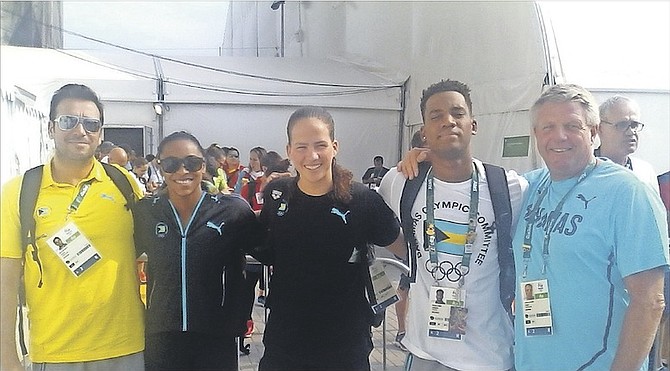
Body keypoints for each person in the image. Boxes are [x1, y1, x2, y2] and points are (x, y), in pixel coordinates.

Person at [513, 83, 668, 370]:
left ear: (594, 132)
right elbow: (469, 179)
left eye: (573, 125)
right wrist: (423, 161)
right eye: (548, 127)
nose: (559, 136)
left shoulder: (627, 193)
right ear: (536, 134)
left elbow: (650, 300)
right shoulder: (529, 187)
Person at [378, 79, 526, 371]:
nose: (448, 121)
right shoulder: (400, 182)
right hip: (424, 353)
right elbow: (378, 227)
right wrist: (412, 252)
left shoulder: (509, 188)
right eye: (436, 116)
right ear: (424, 131)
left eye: (458, 113)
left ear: (473, 124)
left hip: (489, 356)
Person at [1, 83, 145, 370]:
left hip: (126, 348)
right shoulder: (20, 192)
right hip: (55, 352)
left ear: (100, 133)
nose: (81, 131)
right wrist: (6, 356)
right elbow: (5, 281)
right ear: (51, 128)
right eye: (69, 121)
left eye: (91, 124)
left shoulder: (123, 184)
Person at [257, 106, 406, 370]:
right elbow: (261, 245)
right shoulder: (277, 194)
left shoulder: (362, 201)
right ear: (289, 150)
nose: (312, 156)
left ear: (335, 147)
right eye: (301, 147)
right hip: (285, 342)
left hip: (344, 345)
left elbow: (406, 250)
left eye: (320, 145)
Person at [133, 131, 263, 370]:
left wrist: (239, 313)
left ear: (203, 166)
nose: (183, 171)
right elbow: (120, 257)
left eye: (191, 163)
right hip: (162, 335)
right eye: (172, 164)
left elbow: (267, 254)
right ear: (161, 167)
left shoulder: (231, 213)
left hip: (216, 337)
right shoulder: (146, 212)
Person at [596, 95, 659, 192]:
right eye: (622, 125)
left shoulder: (645, 172)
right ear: (600, 129)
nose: (631, 132)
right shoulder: (582, 171)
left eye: (634, 125)